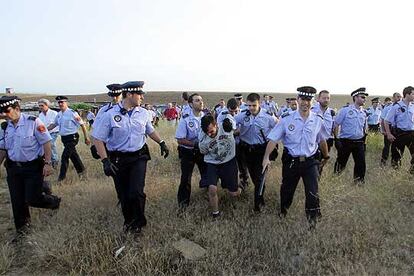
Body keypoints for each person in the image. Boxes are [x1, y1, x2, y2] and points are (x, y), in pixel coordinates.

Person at [92, 81, 169, 234]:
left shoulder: (143, 113)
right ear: (129, 95)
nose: (141, 97)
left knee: (136, 192)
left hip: (138, 156)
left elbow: (149, 129)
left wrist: (161, 142)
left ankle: (139, 224)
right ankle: (129, 222)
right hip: (117, 159)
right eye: (139, 94)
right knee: (123, 194)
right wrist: (105, 161)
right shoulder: (110, 115)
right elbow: (98, 138)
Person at [262, 86, 329, 225]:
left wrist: (326, 156)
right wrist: (266, 157)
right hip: (291, 161)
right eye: (303, 99)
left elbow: (321, 139)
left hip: (310, 161)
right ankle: (283, 212)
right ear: (297, 100)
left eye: (309, 99)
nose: (305, 102)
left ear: (313, 102)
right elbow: (273, 139)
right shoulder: (287, 119)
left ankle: (313, 221)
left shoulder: (317, 120)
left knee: (312, 192)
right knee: (287, 190)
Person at [0, 96, 61, 237]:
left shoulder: (33, 122)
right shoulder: (4, 127)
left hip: (32, 167)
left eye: (6, 111)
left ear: (17, 109)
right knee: (17, 201)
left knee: (33, 198)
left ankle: (54, 201)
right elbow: (2, 149)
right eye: (1, 111)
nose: (3, 114)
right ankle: (23, 232)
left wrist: (47, 163)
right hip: (13, 168)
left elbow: (46, 142)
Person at [235, 93, 277, 211]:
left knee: (259, 178)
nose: (251, 108)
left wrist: (272, 139)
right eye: (249, 105)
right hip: (246, 150)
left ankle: (257, 206)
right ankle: (259, 196)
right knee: (254, 177)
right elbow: (231, 121)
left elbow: (278, 126)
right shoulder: (243, 115)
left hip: (261, 151)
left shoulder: (268, 116)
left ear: (260, 104)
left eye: (254, 105)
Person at [199, 115, 241, 217]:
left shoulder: (226, 126)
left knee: (233, 193)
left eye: (211, 131)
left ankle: (240, 188)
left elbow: (238, 125)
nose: (209, 134)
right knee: (212, 188)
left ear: (216, 125)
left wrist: (232, 127)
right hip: (212, 163)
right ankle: (215, 213)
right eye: (207, 132)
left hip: (229, 161)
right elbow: (203, 152)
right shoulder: (202, 137)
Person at [47, 96, 90, 181]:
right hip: (64, 138)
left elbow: (82, 124)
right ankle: (82, 173)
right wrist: (45, 130)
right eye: (59, 102)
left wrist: (86, 137)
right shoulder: (59, 114)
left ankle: (61, 178)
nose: (60, 104)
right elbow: (54, 124)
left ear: (66, 103)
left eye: (62, 102)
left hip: (72, 137)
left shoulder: (72, 113)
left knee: (64, 157)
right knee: (74, 156)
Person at [175, 93, 207, 208]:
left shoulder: (206, 118)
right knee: (186, 179)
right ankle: (183, 205)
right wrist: (195, 144)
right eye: (197, 100)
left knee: (208, 175)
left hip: (203, 152)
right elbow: (180, 139)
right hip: (188, 152)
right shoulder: (186, 119)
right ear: (190, 104)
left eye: (201, 100)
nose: (201, 102)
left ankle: (208, 198)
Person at [334, 87, 368, 183]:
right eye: (362, 97)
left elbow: (364, 128)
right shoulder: (345, 111)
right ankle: (335, 181)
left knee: (361, 164)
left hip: (359, 142)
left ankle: (359, 183)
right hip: (346, 142)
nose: (364, 99)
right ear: (355, 97)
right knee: (341, 163)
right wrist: (336, 139)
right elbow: (336, 124)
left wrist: (364, 142)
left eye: (365, 97)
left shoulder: (364, 113)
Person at [217, 98, 249, 189]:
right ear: (227, 108)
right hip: (229, 144)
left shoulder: (244, 113)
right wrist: (235, 132)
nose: (234, 114)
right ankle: (232, 185)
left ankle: (244, 183)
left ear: (239, 108)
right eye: (231, 112)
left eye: (236, 111)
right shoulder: (222, 115)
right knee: (231, 166)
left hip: (242, 144)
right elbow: (220, 131)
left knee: (243, 165)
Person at [384, 86, 414, 172]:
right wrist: (389, 134)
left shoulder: (413, 106)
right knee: (396, 157)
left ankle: (411, 173)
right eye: (413, 94)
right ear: (407, 94)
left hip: (411, 133)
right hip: (399, 134)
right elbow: (386, 121)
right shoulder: (396, 106)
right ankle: (395, 175)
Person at [380, 93, 402, 165]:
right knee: (387, 146)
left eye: (400, 97)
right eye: (397, 97)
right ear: (393, 98)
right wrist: (383, 130)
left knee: (397, 146)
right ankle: (383, 161)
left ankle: (396, 162)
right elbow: (383, 120)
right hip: (388, 127)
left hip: (397, 129)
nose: (399, 98)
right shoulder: (388, 107)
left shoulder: (401, 107)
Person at [38, 99, 59, 168]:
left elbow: (53, 125)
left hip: (53, 132)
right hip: (44, 133)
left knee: (50, 144)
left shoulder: (54, 113)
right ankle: (46, 161)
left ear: (47, 105)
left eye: (42, 105)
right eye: (39, 106)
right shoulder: (40, 115)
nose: (40, 107)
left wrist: (45, 130)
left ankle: (55, 160)